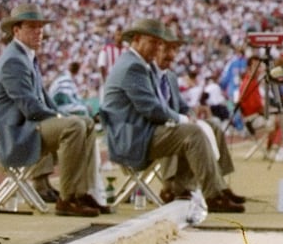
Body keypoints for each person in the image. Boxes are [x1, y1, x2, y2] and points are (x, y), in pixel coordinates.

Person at [100, 18, 243, 213]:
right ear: (137, 39)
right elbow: (151, 108)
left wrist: (184, 118)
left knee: (194, 130)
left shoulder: (139, 64)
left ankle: (191, 188)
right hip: (131, 139)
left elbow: (158, 107)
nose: (156, 48)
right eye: (153, 42)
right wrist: (183, 119)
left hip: (139, 132)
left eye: (159, 43)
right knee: (191, 133)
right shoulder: (133, 67)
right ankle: (214, 194)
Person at [0, 5, 102, 218]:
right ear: (16, 31)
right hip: (15, 135)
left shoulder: (27, 57)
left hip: (28, 126)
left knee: (85, 122)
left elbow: (44, 100)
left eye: (40, 27)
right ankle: (67, 198)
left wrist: (63, 115)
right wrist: (62, 118)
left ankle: (81, 191)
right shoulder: (13, 60)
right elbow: (30, 108)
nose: (38, 32)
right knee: (74, 126)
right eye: (32, 27)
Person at [152, 27, 237, 203]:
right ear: (155, 51)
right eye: (166, 50)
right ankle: (172, 185)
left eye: (174, 50)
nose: (171, 55)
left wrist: (191, 115)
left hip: (174, 123)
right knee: (186, 131)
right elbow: (153, 110)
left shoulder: (171, 77)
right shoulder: (146, 74)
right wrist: (182, 119)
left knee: (212, 124)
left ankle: (221, 183)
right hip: (157, 128)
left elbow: (183, 106)